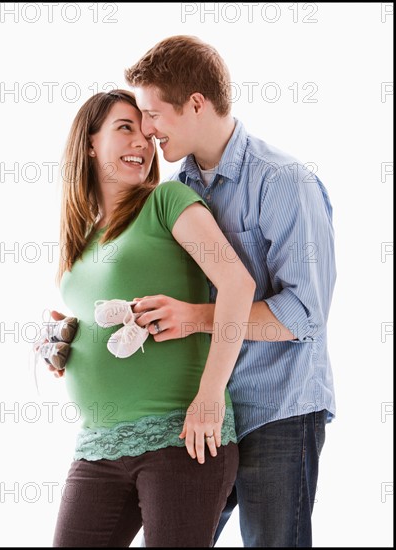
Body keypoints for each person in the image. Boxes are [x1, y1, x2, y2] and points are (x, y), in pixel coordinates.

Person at [124, 35, 337, 547]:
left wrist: (199, 317)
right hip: (204, 411)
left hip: (277, 410)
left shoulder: (284, 182)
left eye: (152, 114)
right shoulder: (177, 191)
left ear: (196, 103)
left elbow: (304, 314)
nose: (146, 132)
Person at [48, 88, 256, 547]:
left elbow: (238, 285)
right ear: (89, 142)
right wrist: (66, 345)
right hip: (101, 442)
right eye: (125, 129)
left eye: (145, 132)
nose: (142, 143)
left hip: (181, 435)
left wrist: (209, 397)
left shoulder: (167, 200)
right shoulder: (81, 240)